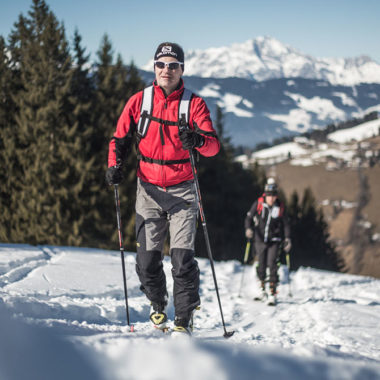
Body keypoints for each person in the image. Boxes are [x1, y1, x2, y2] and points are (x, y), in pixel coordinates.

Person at [106, 42, 220, 334]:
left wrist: (196, 140)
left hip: (183, 192)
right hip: (148, 189)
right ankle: (158, 304)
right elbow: (119, 139)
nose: (166, 70)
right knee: (147, 261)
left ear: (182, 69)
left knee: (182, 259)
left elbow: (213, 146)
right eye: (161, 64)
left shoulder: (193, 104)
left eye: (173, 65)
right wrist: (114, 165)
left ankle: (184, 317)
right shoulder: (139, 101)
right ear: (154, 67)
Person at [244, 178, 291, 304]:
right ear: (265, 194)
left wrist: (287, 238)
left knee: (273, 264)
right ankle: (262, 289)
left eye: (274, 195)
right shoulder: (259, 204)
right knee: (262, 265)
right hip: (259, 239)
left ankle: (273, 292)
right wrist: (248, 229)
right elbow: (248, 218)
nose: (271, 198)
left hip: (274, 240)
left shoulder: (280, 207)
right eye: (269, 195)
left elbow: (286, 224)